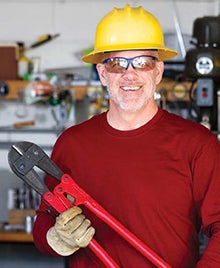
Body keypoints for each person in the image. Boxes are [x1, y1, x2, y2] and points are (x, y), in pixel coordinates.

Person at [33, 4, 220, 268]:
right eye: (117, 64)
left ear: (158, 72)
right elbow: (44, 221)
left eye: (142, 63)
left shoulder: (197, 144)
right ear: (102, 74)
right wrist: (56, 238)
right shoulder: (72, 144)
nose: (130, 74)